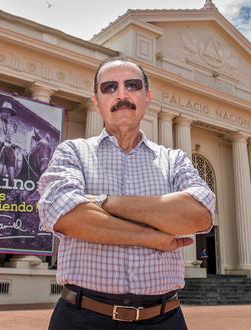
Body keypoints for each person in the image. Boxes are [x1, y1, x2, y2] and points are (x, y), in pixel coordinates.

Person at [38, 56, 215, 329]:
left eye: (132, 85)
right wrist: (151, 236)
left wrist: (100, 201)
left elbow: (199, 216)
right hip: (82, 318)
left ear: (147, 97)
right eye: (109, 87)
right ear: (96, 101)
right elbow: (66, 217)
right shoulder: (72, 152)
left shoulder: (174, 160)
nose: (121, 94)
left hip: (164, 320)